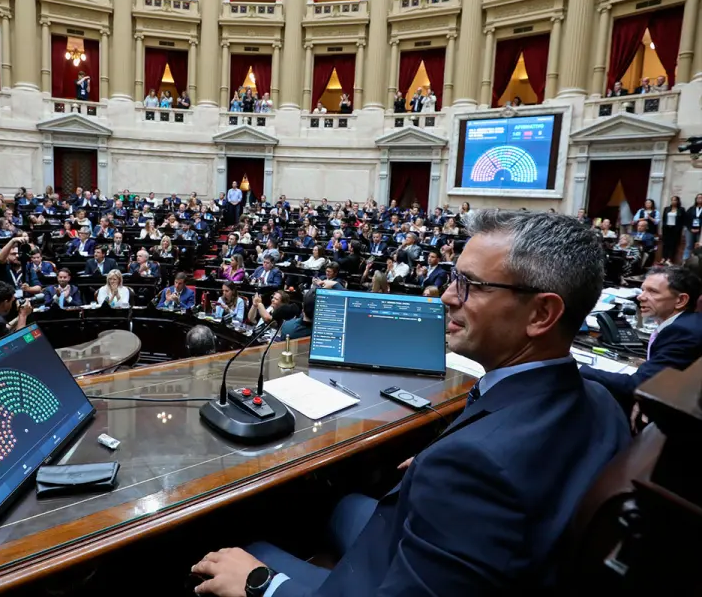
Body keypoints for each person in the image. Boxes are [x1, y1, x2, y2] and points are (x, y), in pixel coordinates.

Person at [191, 211, 630, 597]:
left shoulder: (474, 466)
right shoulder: (602, 401)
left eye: (471, 285)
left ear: (541, 315)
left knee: (242, 549)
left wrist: (263, 583)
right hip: (453, 538)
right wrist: (442, 465)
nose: (447, 297)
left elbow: (490, 469)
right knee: (342, 504)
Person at [581, 266, 702, 420]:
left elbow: (638, 385)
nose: (640, 297)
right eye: (643, 290)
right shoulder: (684, 324)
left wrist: (581, 369)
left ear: (681, 300)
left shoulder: (682, 332)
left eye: (652, 291)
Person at [660, 196, 685, 264]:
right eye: (672, 200)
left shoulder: (681, 209)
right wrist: (665, 226)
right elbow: (664, 218)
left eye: (675, 200)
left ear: (678, 201)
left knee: (673, 244)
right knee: (665, 244)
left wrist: (678, 227)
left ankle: (669, 259)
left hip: (675, 229)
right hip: (666, 228)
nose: (673, 202)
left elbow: (682, 220)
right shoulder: (667, 209)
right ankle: (663, 258)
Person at [684, 193, 702, 262]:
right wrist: (690, 228)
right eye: (698, 198)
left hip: (700, 231)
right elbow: (686, 219)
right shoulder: (692, 208)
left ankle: (698, 263)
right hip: (690, 229)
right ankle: (685, 261)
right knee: (689, 245)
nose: (699, 199)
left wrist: (699, 229)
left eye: (701, 198)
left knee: (699, 247)